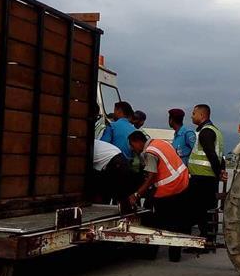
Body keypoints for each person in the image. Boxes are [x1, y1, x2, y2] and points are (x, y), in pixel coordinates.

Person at [126, 131, 191, 262]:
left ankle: (150, 253)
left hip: (169, 188)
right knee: (176, 222)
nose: (133, 150)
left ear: (137, 142)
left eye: (132, 146)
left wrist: (137, 194)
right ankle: (174, 256)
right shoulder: (161, 142)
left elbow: (151, 177)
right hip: (182, 183)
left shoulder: (150, 152)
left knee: (155, 222)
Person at [187, 104, 226, 246]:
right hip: (209, 177)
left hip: (202, 177)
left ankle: (204, 240)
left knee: (200, 210)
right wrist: (220, 171)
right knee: (208, 209)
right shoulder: (216, 131)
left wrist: (218, 173)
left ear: (202, 115)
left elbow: (211, 154)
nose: (191, 116)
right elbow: (220, 156)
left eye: (194, 113)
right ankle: (209, 239)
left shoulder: (205, 132)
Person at [91, 139, 139, 209]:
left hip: (114, 162)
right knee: (113, 191)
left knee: (108, 192)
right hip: (118, 158)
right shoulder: (94, 142)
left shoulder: (85, 143)